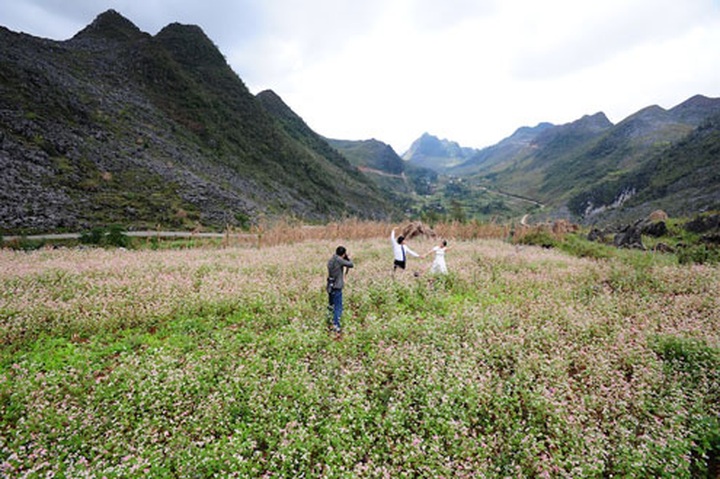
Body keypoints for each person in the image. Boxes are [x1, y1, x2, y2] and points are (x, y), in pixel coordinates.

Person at [326, 245, 353, 336]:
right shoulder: (339, 260)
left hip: (330, 285)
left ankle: (329, 322)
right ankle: (336, 326)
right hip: (337, 286)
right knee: (338, 307)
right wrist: (348, 258)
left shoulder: (331, 260)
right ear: (343, 254)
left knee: (331, 305)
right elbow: (351, 264)